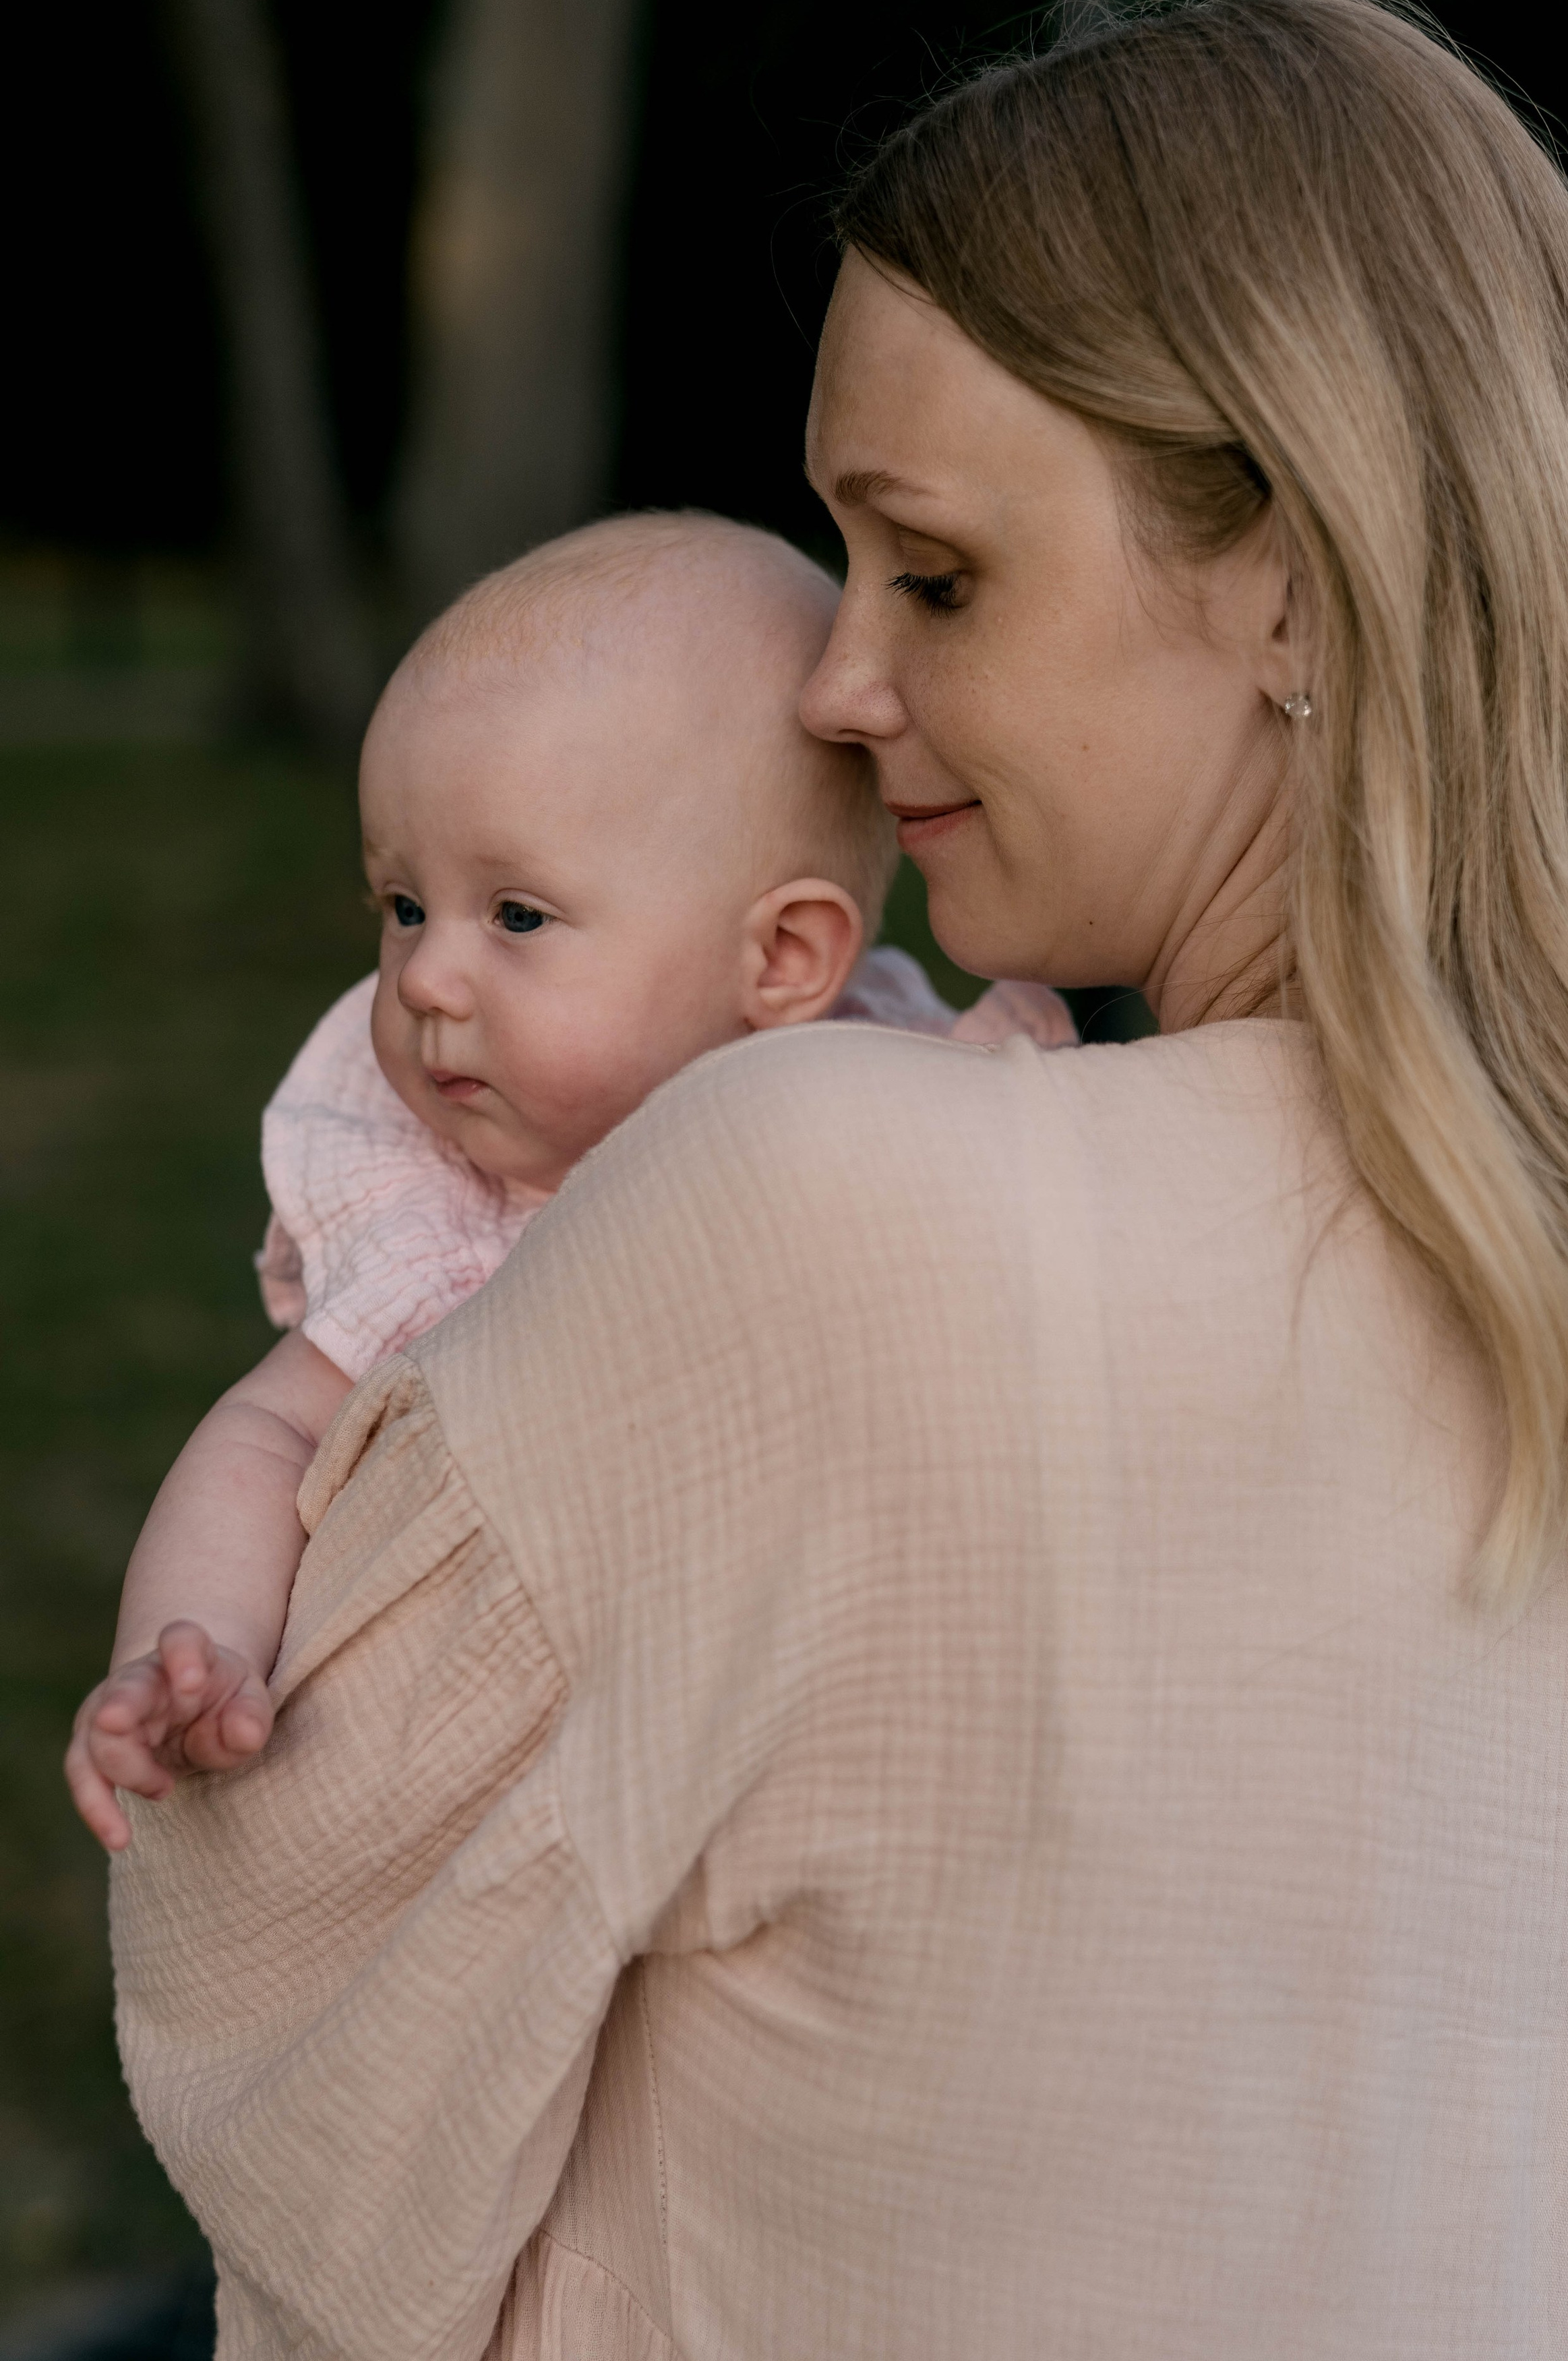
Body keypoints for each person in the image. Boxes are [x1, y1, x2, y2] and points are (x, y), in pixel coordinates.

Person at [112, 0, 1568, 2361]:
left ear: (1295, 587)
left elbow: (271, 1967)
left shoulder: (831, 1209)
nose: (842, 685)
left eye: (939, 576)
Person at [65, 511, 1068, 1852]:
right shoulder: (445, 1203)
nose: (421, 977)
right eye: (402, 903)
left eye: (516, 916)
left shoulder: (911, 1113)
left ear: (780, 963)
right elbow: (266, 1439)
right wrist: (190, 1644)